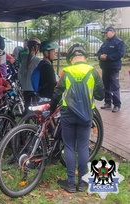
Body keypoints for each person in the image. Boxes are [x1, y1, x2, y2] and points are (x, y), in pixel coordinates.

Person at [50, 44, 104, 193]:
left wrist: (51, 107)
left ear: (70, 59)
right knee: (82, 146)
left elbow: (57, 93)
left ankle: (70, 182)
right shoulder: (93, 72)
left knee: (68, 146)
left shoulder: (66, 72)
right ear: (85, 58)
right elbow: (101, 95)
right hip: (87, 114)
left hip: (68, 114)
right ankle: (82, 182)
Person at [97, 26, 125, 113]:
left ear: (112, 32)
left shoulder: (119, 42)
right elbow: (99, 52)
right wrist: (100, 56)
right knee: (106, 86)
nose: (105, 34)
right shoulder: (105, 42)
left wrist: (108, 57)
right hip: (105, 68)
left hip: (113, 68)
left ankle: (117, 104)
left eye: (106, 32)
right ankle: (107, 102)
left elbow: (120, 53)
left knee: (115, 86)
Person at [17, 37, 41, 113]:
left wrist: (23, 84)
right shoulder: (38, 60)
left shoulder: (24, 58)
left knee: (27, 108)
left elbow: (19, 73)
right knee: (36, 109)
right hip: (34, 89)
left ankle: (25, 122)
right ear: (35, 47)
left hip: (25, 89)